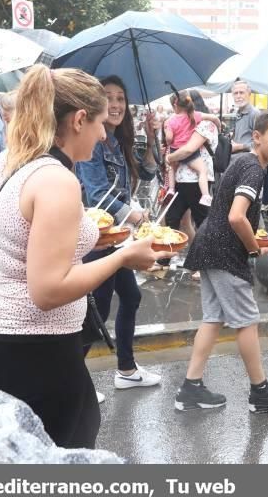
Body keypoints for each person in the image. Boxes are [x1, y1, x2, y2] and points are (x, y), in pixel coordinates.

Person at [0, 65, 167, 449]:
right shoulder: (56, 180)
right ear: (79, 120)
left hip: (0, 335)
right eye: (98, 123)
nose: (101, 134)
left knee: (27, 452)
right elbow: (47, 290)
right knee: (62, 452)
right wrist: (122, 257)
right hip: (36, 346)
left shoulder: (7, 161)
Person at [177, 109, 268, 413]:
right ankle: (261, 392)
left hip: (209, 246)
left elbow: (231, 215)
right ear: (257, 138)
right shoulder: (253, 169)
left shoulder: (245, 162)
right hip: (224, 253)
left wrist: (252, 241)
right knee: (247, 321)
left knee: (214, 317)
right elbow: (236, 217)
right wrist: (254, 249)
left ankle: (190, 389)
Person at [74, 76, 162, 397]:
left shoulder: (117, 141)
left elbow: (151, 172)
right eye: (108, 98)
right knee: (95, 311)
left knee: (131, 298)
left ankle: (126, 370)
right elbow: (97, 195)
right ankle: (74, 384)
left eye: (121, 98)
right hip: (97, 237)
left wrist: (151, 138)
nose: (115, 105)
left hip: (117, 237)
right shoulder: (94, 143)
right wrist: (134, 214)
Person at [164, 91, 220, 206]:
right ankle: (205, 195)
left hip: (183, 175)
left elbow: (185, 148)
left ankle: (171, 189)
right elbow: (188, 150)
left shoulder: (171, 120)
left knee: (171, 168)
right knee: (202, 171)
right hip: (192, 177)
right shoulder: (197, 118)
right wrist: (219, 125)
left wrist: (169, 156)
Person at [230, 80, 260, 153]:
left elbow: (261, 142)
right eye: (235, 93)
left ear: (249, 94)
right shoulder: (238, 113)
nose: (238, 96)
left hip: (248, 160)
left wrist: (240, 146)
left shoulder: (255, 114)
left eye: (241, 93)